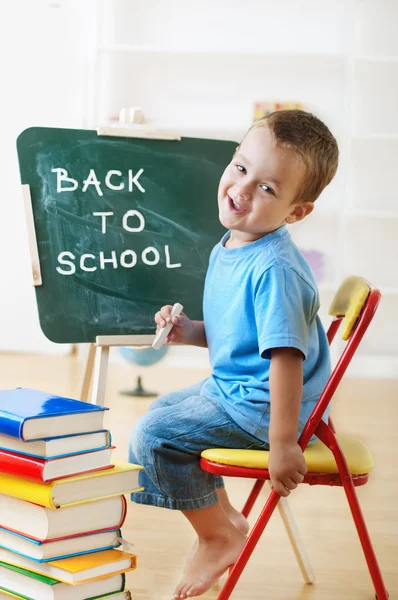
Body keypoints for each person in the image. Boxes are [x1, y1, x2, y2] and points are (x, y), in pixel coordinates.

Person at [128, 109, 339, 599]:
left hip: (262, 408)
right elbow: (238, 334)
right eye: (241, 168)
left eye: (267, 188)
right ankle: (226, 520)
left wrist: (284, 444)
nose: (242, 190)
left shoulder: (275, 271)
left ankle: (217, 535)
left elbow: (285, 359)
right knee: (161, 412)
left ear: (296, 211)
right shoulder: (234, 243)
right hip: (237, 390)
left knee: (153, 435)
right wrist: (189, 331)